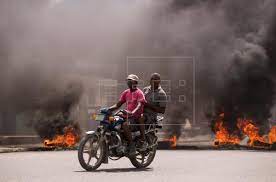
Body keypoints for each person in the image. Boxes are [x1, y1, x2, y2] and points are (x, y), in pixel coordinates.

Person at [108, 74, 147, 156]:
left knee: (125, 125)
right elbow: (118, 105)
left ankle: (131, 145)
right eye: (128, 80)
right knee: (111, 122)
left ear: (135, 82)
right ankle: (115, 144)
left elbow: (139, 105)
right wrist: (108, 109)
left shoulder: (139, 93)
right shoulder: (126, 92)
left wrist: (132, 112)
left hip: (135, 118)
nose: (129, 82)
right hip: (126, 116)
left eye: (131, 80)